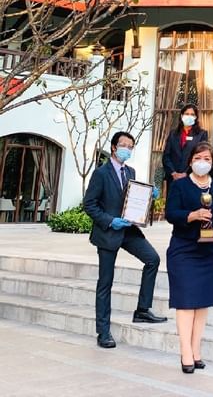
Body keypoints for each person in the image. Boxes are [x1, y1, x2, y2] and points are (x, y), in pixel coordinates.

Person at [83, 131, 167, 349]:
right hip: (108, 232)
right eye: (123, 145)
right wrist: (110, 221)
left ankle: (142, 309)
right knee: (105, 283)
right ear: (113, 147)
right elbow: (89, 205)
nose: (127, 149)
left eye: (131, 146)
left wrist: (149, 196)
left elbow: (132, 200)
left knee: (152, 259)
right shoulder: (100, 173)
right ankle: (103, 331)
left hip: (128, 231)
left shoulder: (131, 171)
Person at [165, 142, 213, 373]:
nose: (203, 162)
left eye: (207, 158)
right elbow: (171, 213)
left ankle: (196, 350)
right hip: (184, 249)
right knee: (185, 302)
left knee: (202, 301)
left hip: (210, 251)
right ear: (191, 160)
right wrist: (192, 215)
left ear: (212, 163)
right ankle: (185, 351)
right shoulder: (180, 186)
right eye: (198, 157)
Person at [162, 103, 209, 196]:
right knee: (173, 206)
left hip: (192, 178)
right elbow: (166, 156)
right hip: (173, 179)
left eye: (192, 114)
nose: (189, 116)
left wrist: (186, 173)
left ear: (196, 117)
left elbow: (201, 157)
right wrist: (173, 173)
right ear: (181, 115)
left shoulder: (201, 134)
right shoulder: (173, 134)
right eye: (187, 114)